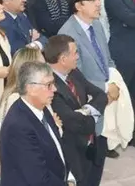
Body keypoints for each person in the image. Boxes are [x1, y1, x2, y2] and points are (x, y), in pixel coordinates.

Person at [58, 0, 135, 151]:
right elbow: (74, 76)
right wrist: (105, 87)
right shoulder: (68, 34)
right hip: (89, 98)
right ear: (78, 6)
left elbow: (107, 59)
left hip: (106, 86)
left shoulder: (96, 25)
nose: (98, 3)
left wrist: (113, 79)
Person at [45, 35, 108, 186]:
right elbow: (72, 122)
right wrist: (93, 115)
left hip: (91, 146)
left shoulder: (74, 73)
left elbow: (100, 95)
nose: (78, 57)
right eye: (75, 53)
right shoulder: (49, 85)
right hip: (73, 154)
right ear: (63, 59)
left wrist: (86, 110)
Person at [0, 61, 70, 186]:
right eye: (48, 85)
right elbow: (38, 179)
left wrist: (70, 178)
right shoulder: (18, 126)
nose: (54, 89)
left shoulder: (41, 108)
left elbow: (58, 151)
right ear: (30, 88)